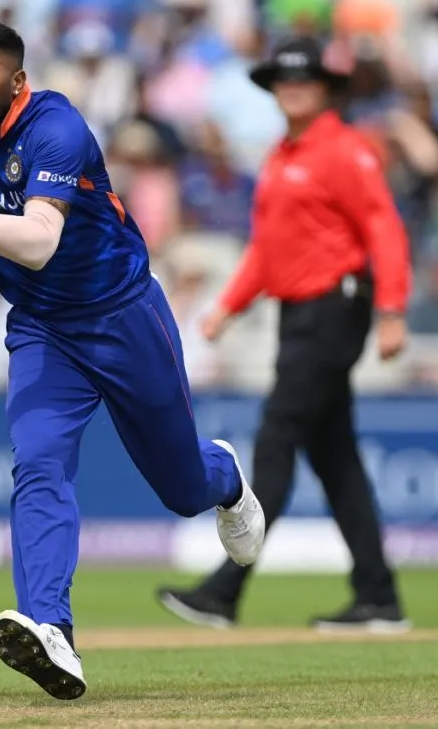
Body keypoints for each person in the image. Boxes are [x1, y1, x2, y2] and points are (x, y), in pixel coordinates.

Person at [0, 20, 265, 700]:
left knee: (182, 489)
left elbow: (37, 241)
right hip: (41, 328)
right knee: (37, 464)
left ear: (17, 79)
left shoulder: (57, 128)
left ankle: (225, 477)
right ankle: (50, 627)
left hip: (122, 314)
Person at [155, 35, 414, 633]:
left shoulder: (346, 150)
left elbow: (384, 228)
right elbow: (268, 252)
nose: (293, 88)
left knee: (277, 435)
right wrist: (229, 306)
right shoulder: (281, 156)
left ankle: (226, 588)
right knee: (335, 458)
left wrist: (394, 310)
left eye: (305, 80)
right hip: (300, 314)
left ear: (325, 89)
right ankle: (379, 597)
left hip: (335, 307)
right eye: (284, 80)